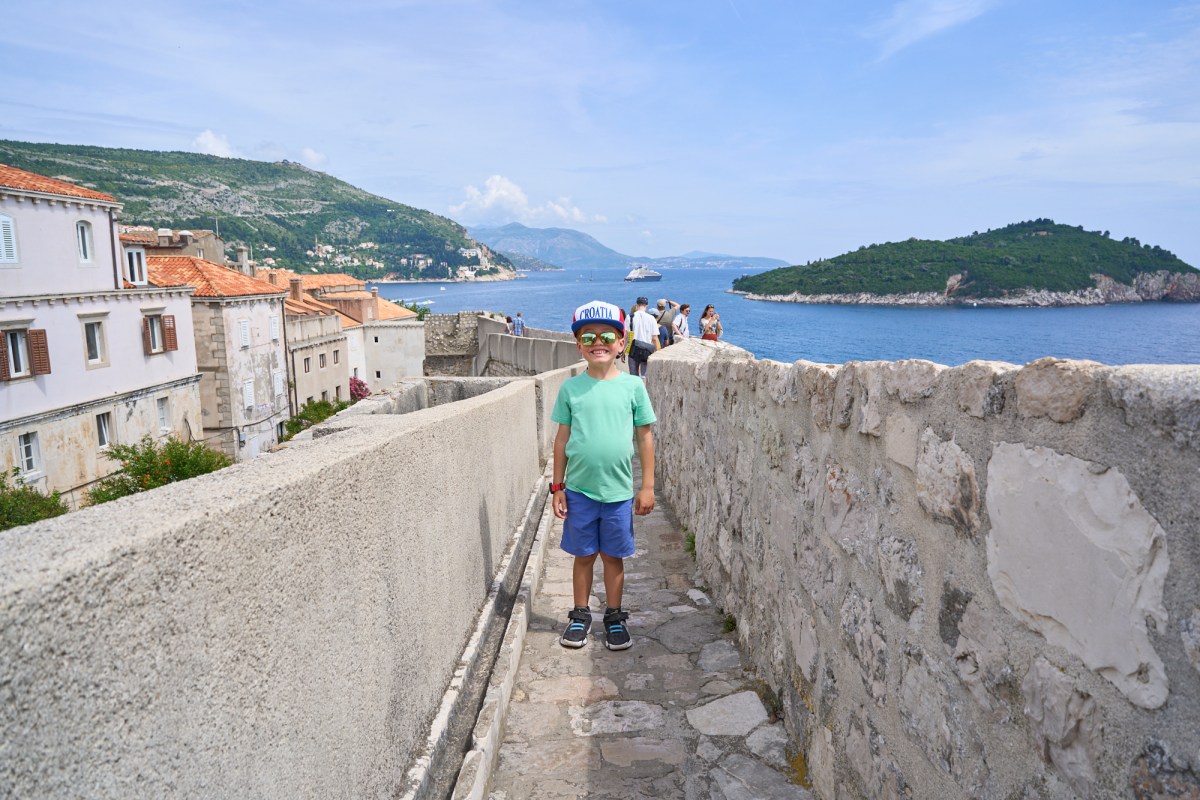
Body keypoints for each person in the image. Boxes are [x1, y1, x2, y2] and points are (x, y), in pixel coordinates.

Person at [551, 300, 656, 651]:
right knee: (583, 556)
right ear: (578, 345)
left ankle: (614, 616)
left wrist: (647, 486)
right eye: (588, 337)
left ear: (622, 342)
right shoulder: (570, 389)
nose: (598, 342)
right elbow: (561, 440)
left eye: (607, 336)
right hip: (579, 491)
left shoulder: (633, 387)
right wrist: (558, 487)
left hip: (618, 493)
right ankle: (580, 615)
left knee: (613, 557)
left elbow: (645, 437)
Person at [627, 297, 659, 379]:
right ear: (647, 305)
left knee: (633, 377)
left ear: (637, 304)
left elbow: (626, 336)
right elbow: (654, 338)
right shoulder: (651, 318)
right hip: (646, 350)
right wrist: (657, 351)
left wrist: (623, 352)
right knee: (644, 376)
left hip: (633, 349)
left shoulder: (630, 317)